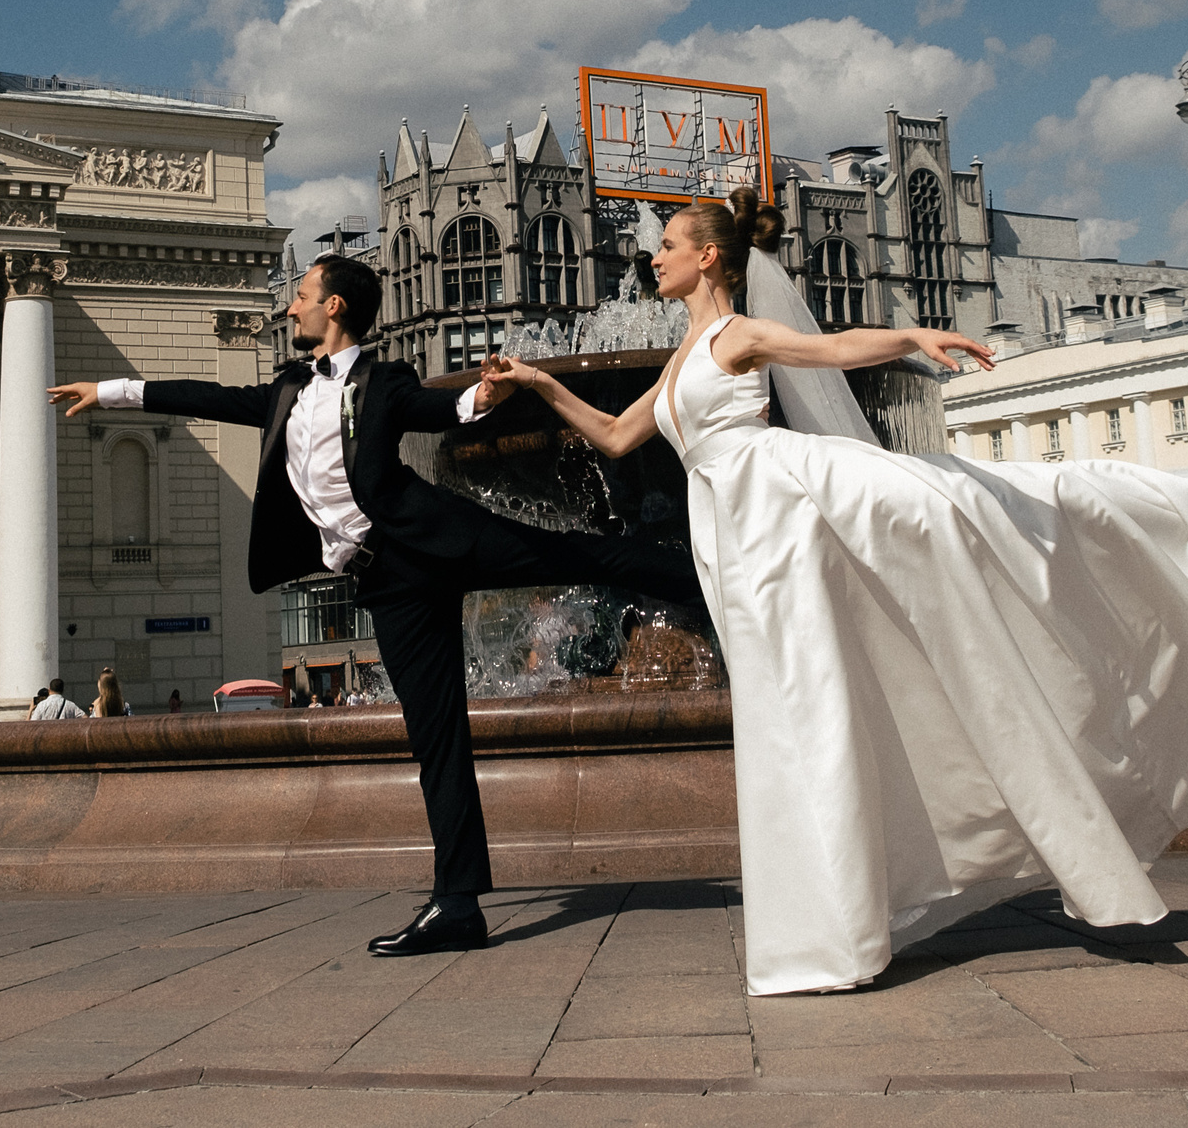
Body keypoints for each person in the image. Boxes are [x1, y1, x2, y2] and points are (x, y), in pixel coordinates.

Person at [486, 190, 1188, 997]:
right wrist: (535, 382)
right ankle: (841, 919)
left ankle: (1185, 527)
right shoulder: (684, 355)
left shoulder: (736, 335)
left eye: (667, 245)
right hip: (740, 535)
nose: (652, 256)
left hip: (792, 510)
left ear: (709, 258)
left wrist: (910, 337)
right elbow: (614, 436)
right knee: (806, 706)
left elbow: (834, 346)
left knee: (971, 533)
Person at [51, 251, 709, 959]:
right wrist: (111, 389)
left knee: (573, 555)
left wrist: (482, 398)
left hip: (439, 540)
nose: (290, 306)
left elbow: (442, 408)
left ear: (334, 306)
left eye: (301, 294)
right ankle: (458, 904)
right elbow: (206, 395)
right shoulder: (286, 390)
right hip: (387, 580)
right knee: (436, 737)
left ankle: (705, 576)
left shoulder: (382, 379)